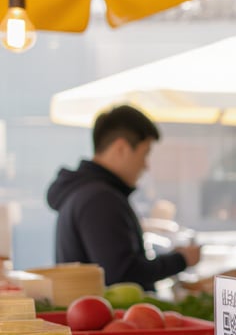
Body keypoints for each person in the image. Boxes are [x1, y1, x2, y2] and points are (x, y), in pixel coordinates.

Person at [47, 104, 201, 291]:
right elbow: (121, 274)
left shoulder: (84, 192)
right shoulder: (100, 199)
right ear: (121, 148)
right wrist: (181, 260)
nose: (145, 166)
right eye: (144, 154)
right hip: (107, 318)